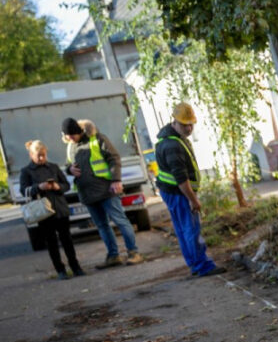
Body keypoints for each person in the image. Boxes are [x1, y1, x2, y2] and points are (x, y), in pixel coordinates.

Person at [61, 117, 142, 268]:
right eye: (67, 136)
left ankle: (133, 252)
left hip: (106, 190)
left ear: (78, 131)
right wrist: (69, 169)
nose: (69, 138)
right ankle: (113, 256)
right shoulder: (70, 146)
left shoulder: (97, 138)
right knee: (102, 226)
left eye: (72, 135)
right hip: (87, 193)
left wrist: (116, 180)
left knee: (120, 221)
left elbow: (114, 158)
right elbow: (68, 164)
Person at [154, 103, 223, 277]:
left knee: (183, 230)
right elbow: (181, 177)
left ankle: (194, 264)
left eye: (191, 124)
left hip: (171, 192)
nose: (189, 128)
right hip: (179, 194)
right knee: (191, 229)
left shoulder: (170, 139)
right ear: (175, 122)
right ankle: (202, 266)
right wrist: (193, 200)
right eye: (185, 124)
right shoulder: (172, 145)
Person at [19, 140, 84, 279]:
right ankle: (60, 270)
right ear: (31, 155)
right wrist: (39, 187)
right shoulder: (26, 171)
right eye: (38, 156)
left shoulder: (53, 167)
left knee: (67, 240)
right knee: (52, 243)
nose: (41, 158)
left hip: (60, 209)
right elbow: (23, 190)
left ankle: (76, 267)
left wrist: (57, 187)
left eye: (43, 155)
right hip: (43, 212)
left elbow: (66, 185)